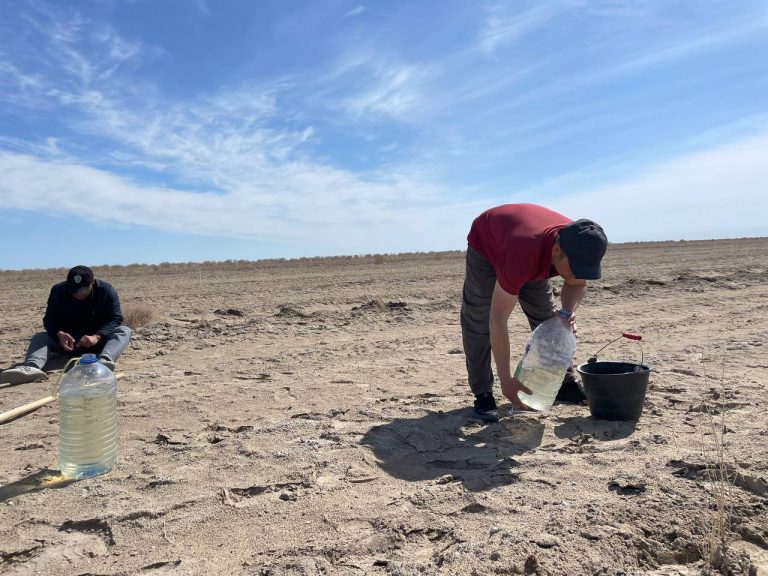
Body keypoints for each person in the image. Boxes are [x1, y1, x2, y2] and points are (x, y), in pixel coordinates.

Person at [461, 203, 608, 422]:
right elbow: (498, 318)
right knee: (479, 320)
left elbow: (576, 284)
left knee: (548, 318)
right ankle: (483, 394)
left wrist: (567, 312)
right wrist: (506, 378)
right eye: (575, 267)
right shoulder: (522, 253)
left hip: (527, 247)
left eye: (584, 269)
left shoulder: (580, 242)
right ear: (557, 250)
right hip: (488, 241)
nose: (579, 273)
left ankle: (564, 383)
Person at [2, 265, 132, 384]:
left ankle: (103, 363)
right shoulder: (58, 290)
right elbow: (49, 320)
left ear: (92, 283)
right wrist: (60, 334)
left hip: (98, 345)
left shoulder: (105, 290)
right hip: (67, 345)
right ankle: (31, 368)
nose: (77, 294)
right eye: (74, 291)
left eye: (82, 290)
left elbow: (116, 318)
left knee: (124, 331)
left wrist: (97, 336)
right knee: (40, 337)